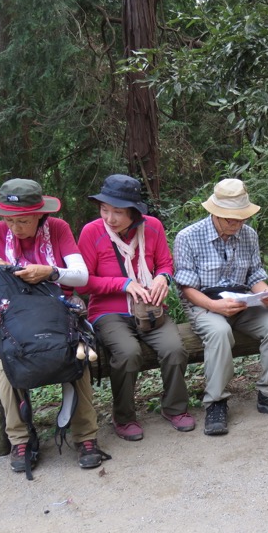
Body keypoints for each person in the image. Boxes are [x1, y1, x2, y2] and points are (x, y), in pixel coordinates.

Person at [0, 179, 105, 473]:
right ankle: (20, 439)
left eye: (23, 221)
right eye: (9, 220)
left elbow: (80, 276)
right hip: (15, 320)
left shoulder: (58, 229)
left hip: (59, 315)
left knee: (76, 355)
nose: (15, 228)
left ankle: (86, 436)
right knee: (7, 363)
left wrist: (51, 272)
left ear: (40, 214)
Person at [174, 179, 268, 435]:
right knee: (220, 332)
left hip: (242, 301)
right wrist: (214, 305)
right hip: (205, 303)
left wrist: (264, 293)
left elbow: (255, 274)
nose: (236, 224)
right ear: (214, 213)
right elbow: (186, 288)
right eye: (230, 219)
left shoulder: (249, 234)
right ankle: (216, 402)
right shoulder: (188, 237)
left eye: (241, 219)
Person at [77, 174, 193, 442]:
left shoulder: (152, 227)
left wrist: (163, 277)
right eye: (104, 209)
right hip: (109, 312)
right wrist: (123, 284)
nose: (109, 218)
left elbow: (165, 262)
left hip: (150, 309)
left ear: (135, 213)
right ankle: (124, 417)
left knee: (175, 349)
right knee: (128, 353)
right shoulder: (92, 232)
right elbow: (83, 283)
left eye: (117, 212)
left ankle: (174, 408)